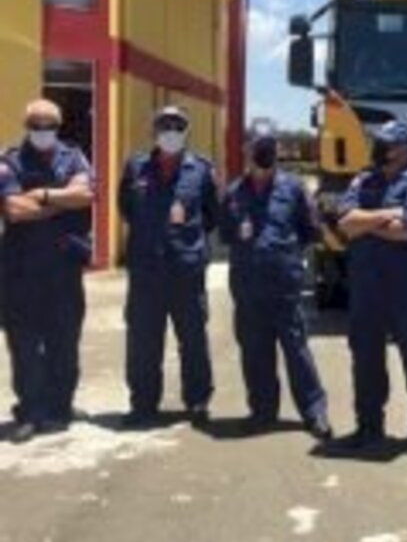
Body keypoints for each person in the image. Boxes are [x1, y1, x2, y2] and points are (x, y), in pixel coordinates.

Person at [220, 123, 332, 441]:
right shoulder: (233, 193)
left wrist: (290, 256)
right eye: (257, 145)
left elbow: (312, 230)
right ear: (246, 150)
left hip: (284, 284)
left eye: (268, 145)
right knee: (255, 351)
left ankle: (314, 412)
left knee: (296, 349)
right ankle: (262, 411)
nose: (263, 151)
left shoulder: (294, 189)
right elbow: (227, 234)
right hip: (247, 284)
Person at [335, 121, 407, 449]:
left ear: (406, 148)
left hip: (406, 289)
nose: (381, 149)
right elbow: (345, 224)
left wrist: (366, 221)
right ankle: (369, 427)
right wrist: (388, 214)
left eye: (389, 144)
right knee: (365, 359)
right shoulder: (363, 179)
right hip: (368, 286)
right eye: (379, 143)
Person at [118, 106, 219, 427]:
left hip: (185, 271)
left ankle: (198, 401)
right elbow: (126, 208)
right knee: (143, 341)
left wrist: (187, 244)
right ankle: (143, 404)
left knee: (193, 339)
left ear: (186, 132)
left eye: (178, 126)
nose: (171, 131)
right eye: (165, 125)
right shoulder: (135, 168)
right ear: (155, 131)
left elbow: (211, 215)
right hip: (146, 270)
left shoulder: (202, 170)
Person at [0, 100, 95, 443]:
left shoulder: (74, 157)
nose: (43, 130)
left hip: (64, 270)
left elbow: (85, 194)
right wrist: (60, 202)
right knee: (25, 345)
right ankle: (30, 411)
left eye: (49, 124)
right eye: (36, 124)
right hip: (21, 272)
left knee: (65, 342)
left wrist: (39, 195)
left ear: (59, 126)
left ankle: (61, 406)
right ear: (27, 125)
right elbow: (13, 209)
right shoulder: (9, 160)